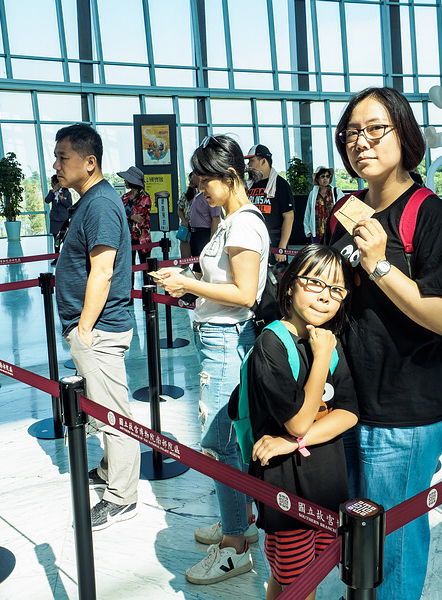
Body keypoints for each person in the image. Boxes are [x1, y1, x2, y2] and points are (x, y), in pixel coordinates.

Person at [325, 87, 442, 600]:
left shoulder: (432, 217)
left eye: (375, 129)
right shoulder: (345, 212)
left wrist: (380, 265)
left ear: (405, 135)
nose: (361, 142)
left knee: (394, 548)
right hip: (346, 405)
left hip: (404, 414)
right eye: (351, 133)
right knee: (357, 541)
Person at [151, 134, 268, 585]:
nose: (200, 188)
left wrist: (189, 284)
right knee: (228, 441)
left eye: (206, 180)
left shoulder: (242, 224)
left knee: (220, 444)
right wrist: (190, 277)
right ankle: (240, 521)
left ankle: (235, 545)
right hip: (217, 337)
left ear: (231, 175)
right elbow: (225, 280)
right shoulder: (229, 220)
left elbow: (242, 294)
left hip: (227, 340)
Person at [245, 244, 359, 599]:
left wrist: (294, 442)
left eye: (336, 289)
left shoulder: (330, 340)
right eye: (315, 283)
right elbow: (297, 421)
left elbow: (348, 412)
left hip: (326, 481)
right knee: (298, 582)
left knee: (294, 575)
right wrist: (322, 356)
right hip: (285, 488)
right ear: (290, 284)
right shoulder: (272, 344)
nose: (326, 297)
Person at [52, 123, 138, 530]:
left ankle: (122, 497)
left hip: (100, 329)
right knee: (103, 408)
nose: (56, 164)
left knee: (113, 415)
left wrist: (84, 330)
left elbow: (102, 271)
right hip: (93, 328)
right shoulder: (89, 200)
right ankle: (108, 471)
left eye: (63, 157)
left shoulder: (101, 203)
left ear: (90, 162)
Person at [245, 144, 294, 264]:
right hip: (252, 240)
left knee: (275, 280)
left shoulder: (281, 185)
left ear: (263, 161)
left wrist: (281, 247)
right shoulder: (249, 185)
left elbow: (289, 216)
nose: (248, 165)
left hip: (274, 241)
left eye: (251, 161)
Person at [118, 166, 152, 288]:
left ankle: (149, 295)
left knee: (146, 267)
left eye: (126, 179)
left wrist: (129, 217)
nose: (125, 181)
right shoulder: (124, 197)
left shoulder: (145, 197)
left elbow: (139, 216)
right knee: (128, 267)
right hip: (127, 236)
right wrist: (131, 217)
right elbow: (120, 215)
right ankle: (129, 295)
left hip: (142, 238)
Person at [302, 166, 345, 244]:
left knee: (332, 254)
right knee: (318, 255)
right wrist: (307, 229)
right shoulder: (313, 194)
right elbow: (308, 212)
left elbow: (344, 210)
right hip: (317, 234)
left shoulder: (336, 192)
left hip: (333, 233)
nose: (325, 179)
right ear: (317, 179)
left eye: (327, 176)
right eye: (322, 176)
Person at [187, 177, 221, 273]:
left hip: (204, 234)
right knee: (196, 262)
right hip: (194, 234)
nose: (191, 179)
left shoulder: (211, 197)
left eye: (194, 176)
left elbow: (215, 219)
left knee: (203, 264)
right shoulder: (198, 195)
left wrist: (212, 241)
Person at [44, 174, 73, 265]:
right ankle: (56, 258)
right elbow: (47, 200)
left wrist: (62, 199)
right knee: (56, 240)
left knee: (65, 240)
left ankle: (68, 259)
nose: (52, 185)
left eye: (53, 183)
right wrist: (53, 191)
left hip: (63, 220)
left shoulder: (67, 193)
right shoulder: (51, 192)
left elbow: (69, 205)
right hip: (54, 220)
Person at [177, 172, 197, 260]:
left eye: (193, 178)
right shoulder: (185, 195)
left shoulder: (204, 195)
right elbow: (179, 209)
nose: (191, 180)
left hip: (199, 229)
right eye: (190, 178)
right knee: (185, 261)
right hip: (186, 228)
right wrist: (184, 221)